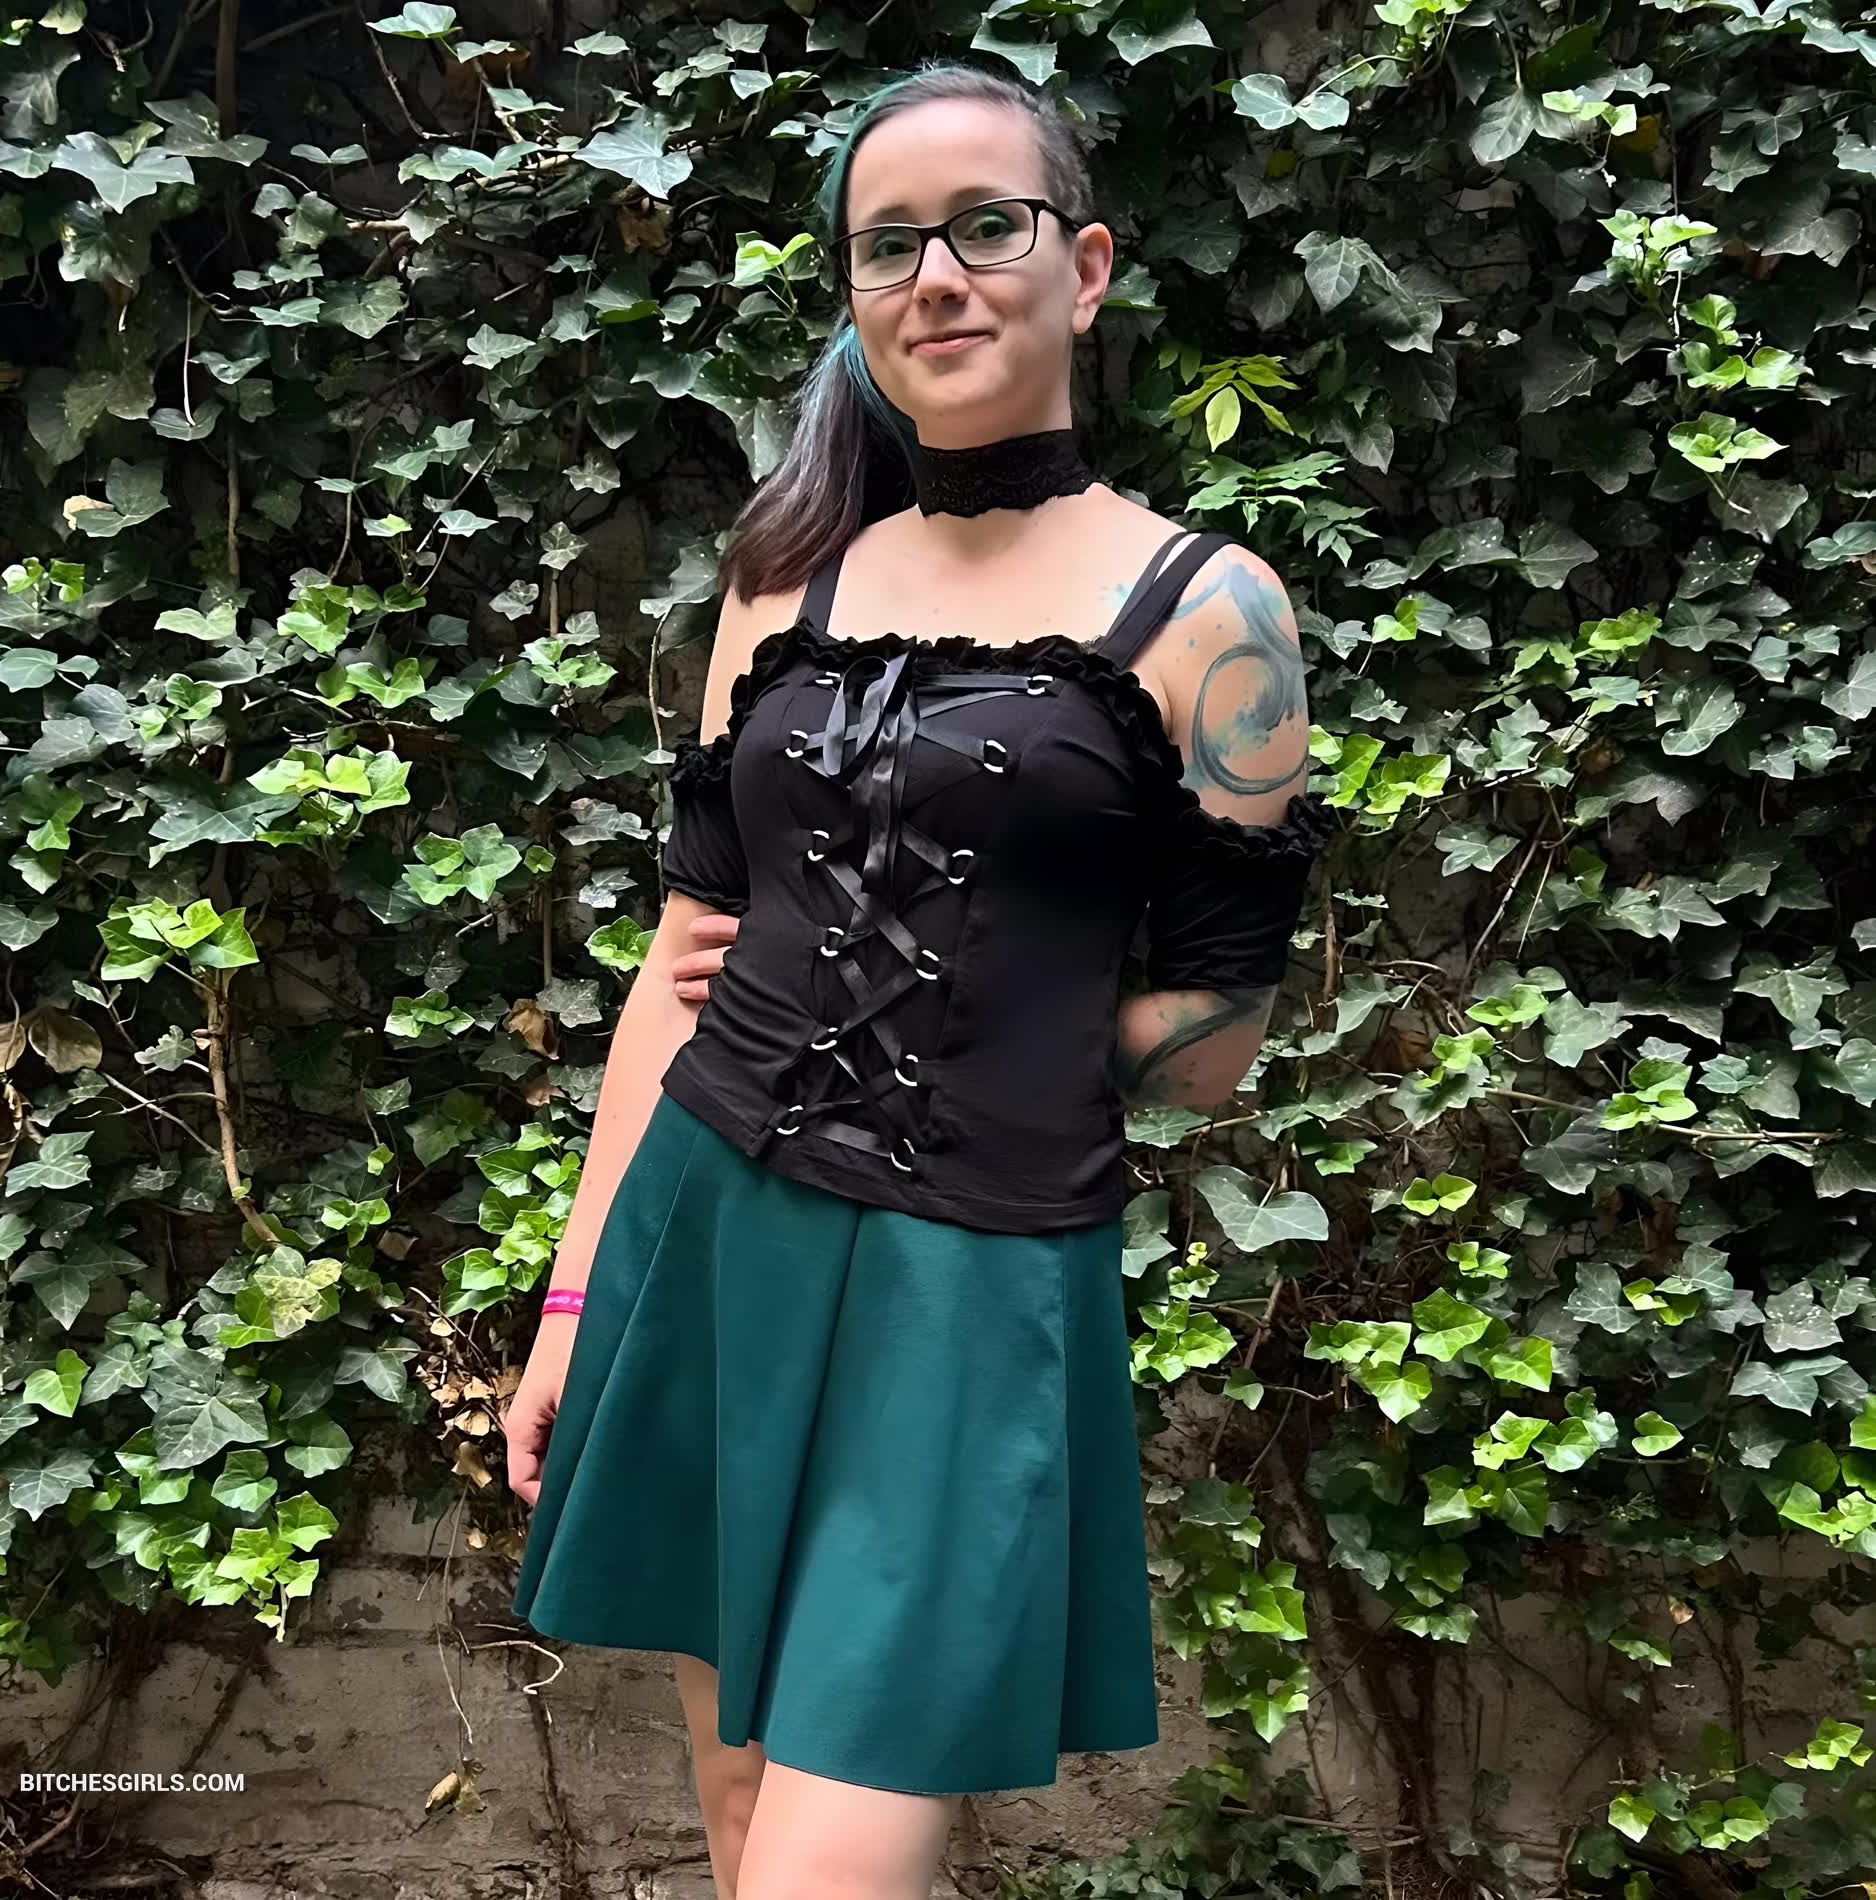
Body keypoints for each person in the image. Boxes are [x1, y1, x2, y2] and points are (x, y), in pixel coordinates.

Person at [503, 61, 1331, 1900]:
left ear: (1086, 268)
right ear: (856, 293)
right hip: (711, 1239)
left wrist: (1005, 1029)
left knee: (825, 1853)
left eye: (986, 228)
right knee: (737, 1807)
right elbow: (678, 974)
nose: (937, 276)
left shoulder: (1208, 614)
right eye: (891, 245)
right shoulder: (782, 580)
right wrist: (569, 1303)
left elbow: (1216, 1045)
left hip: (970, 1287)